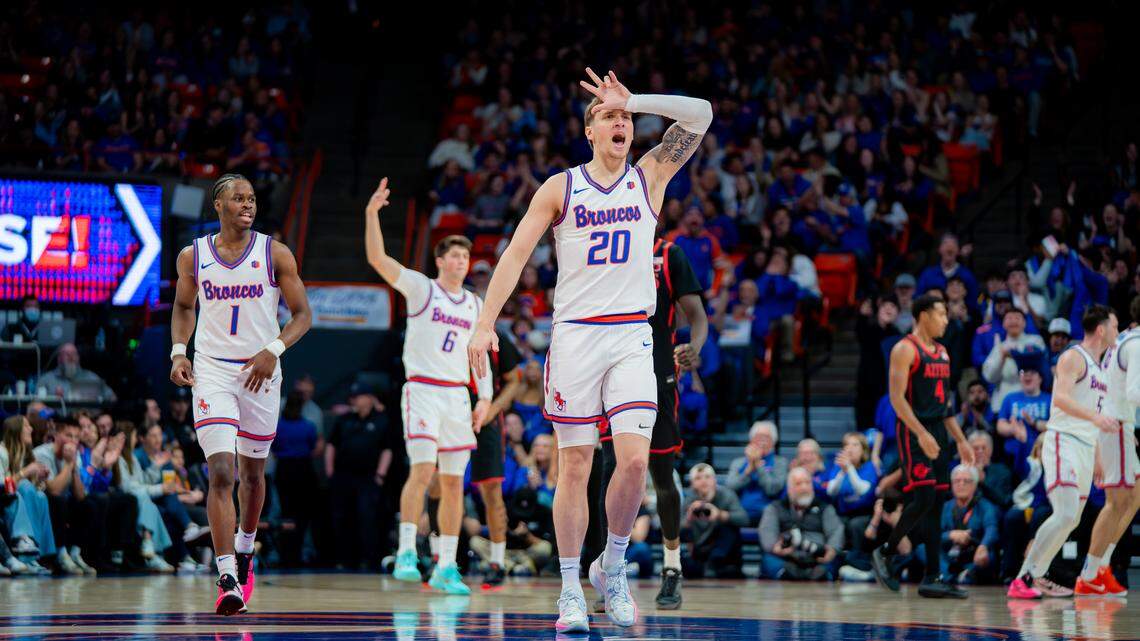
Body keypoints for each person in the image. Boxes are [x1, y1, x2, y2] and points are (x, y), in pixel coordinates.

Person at [467, 68, 712, 632]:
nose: (621, 122)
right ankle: (571, 587)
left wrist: (635, 97)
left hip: (632, 335)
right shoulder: (561, 186)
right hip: (575, 334)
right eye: (609, 116)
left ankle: (615, 568)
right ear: (590, 132)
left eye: (625, 117)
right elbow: (514, 255)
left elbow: (699, 112)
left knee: (632, 462)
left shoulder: (650, 174)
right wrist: (486, 323)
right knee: (575, 465)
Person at [169, 173, 313, 615]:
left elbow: (304, 315)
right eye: (238, 198)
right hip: (212, 371)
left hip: (260, 373)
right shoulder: (194, 256)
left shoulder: (275, 252)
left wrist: (273, 349)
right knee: (221, 472)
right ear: (218, 205)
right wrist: (178, 352)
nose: (248, 205)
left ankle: (247, 549)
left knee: (252, 476)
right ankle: (227, 573)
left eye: (252, 199)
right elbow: (183, 305)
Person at [363, 181, 493, 596]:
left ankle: (447, 566)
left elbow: (480, 355)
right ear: (440, 260)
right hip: (422, 389)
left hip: (458, 394)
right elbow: (378, 259)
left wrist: (485, 396)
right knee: (422, 471)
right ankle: (405, 551)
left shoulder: (475, 304)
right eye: (454, 254)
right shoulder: (423, 288)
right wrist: (371, 215)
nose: (461, 260)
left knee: (454, 482)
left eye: (465, 255)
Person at [597, 234, 708, 610]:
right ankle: (608, 573)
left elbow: (697, 316)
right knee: (611, 474)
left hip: (659, 376)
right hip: (612, 375)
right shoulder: (606, 247)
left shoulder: (667, 254)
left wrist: (695, 347)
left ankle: (672, 567)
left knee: (662, 475)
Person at [1008, 305, 1119, 599]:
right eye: (1115, 327)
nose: (1117, 333)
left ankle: (1037, 575)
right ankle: (1025, 576)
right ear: (1101, 329)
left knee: (1072, 519)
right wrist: (1096, 420)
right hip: (1063, 442)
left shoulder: (1102, 369)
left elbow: (1094, 413)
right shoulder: (1073, 356)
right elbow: (1060, 400)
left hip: (1084, 448)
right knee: (1065, 512)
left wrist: (1096, 459)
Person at [871, 294, 975, 598]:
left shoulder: (942, 352)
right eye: (941, 314)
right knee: (925, 495)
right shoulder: (904, 349)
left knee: (936, 502)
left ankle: (932, 576)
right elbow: (896, 399)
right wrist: (921, 434)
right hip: (913, 430)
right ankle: (887, 551)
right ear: (923, 315)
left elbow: (945, 406)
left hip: (938, 430)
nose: (946, 320)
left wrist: (961, 439)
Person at [1077, 300, 1140, 596]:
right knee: (1116, 502)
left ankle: (1101, 565)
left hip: (1119, 425)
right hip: (1115, 426)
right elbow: (1135, 392)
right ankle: (1090, 573)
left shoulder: (1125, 341)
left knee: (1135, 496)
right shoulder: (1135, 343)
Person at [470, 326, 524, 587]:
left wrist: (493, 408)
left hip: (488, 418)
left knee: (491, 490)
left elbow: (514, 379)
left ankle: (497, 561)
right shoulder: (446, 327)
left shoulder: (496, 335)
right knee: (439, 484)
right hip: (451, 411)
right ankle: (440, 558)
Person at [325, 384, 396, 570]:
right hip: (343, 476)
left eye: (359, 396)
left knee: (367, 517)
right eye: (353, 397)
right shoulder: (345, 419)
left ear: (369, 398)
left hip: (368, 477)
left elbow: (387, 449)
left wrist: (380, 474)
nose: (355, 400)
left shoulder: (381, 420)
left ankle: (368, 559)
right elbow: (332, 445)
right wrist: (330, 470)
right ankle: (344, 559)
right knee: (342, 518)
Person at [759, 467, 843, 580]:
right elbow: (767, 532)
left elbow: (836, 531)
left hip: (817, 558)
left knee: (834, 560)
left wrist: (831, 550)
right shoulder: (774, 508)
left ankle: (821, 575)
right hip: (786, 558)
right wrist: (775, 548)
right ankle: (786, 574)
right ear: (789, 489)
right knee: (768, 560)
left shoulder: (825, 507)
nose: (804, 487)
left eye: (807, 483)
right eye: (798, 484)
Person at [272, 390, 320, 567]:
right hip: (303, 470)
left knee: (285, 513)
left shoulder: (278, 427)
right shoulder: (308, 426)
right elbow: (313, 445)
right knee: (302, 515)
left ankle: (286, 555)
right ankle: (299, 554)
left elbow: (274, 448)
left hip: (284, 470)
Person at [681, 463, 748, 579]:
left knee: (728, 528)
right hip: (700, 550)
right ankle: (705, 568)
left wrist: (720, 514)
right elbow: (675, 530)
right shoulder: (689, 501)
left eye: (707, 477)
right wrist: (688, 518)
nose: (703, 481)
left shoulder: (727, 495)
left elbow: (744, 519)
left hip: (724, 553)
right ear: (692, 484)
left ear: (715, 480)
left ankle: (713, 565)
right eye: (698, 478)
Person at [940, 464, 999, 584]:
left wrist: (984, 546)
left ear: (974, 485)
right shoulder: (944, 507)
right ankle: (948, 576)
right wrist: (950, 535)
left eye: (966, 481)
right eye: (957, 481)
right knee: (923, 547)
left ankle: (966, 574)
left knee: (989, 553)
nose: (961, 484)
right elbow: (933, 534)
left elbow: (992, 528)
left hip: (973, 553)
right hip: (949, 556)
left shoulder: (985, 506)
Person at [726, 421, 789, 524]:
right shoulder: (738, 462)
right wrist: (749, 470)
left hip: (769, 514)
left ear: (773, 441)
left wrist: (758, 465)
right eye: (758, 436)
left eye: (766, 437)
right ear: (751, 440)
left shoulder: (780, 462)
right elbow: (730, 487)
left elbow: (772, 489)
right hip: (740, 513)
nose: (762, 441)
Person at [37, 344, 117, 404]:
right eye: (67, 354)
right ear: (59, 358)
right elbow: (36, 408)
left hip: (88, 421)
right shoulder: (46, 380)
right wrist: (50, 415)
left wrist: (106, 415)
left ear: (78, 358)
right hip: (56, 421)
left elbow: (112, 398)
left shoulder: (91, 377)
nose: (71, 357)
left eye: (74, 354)